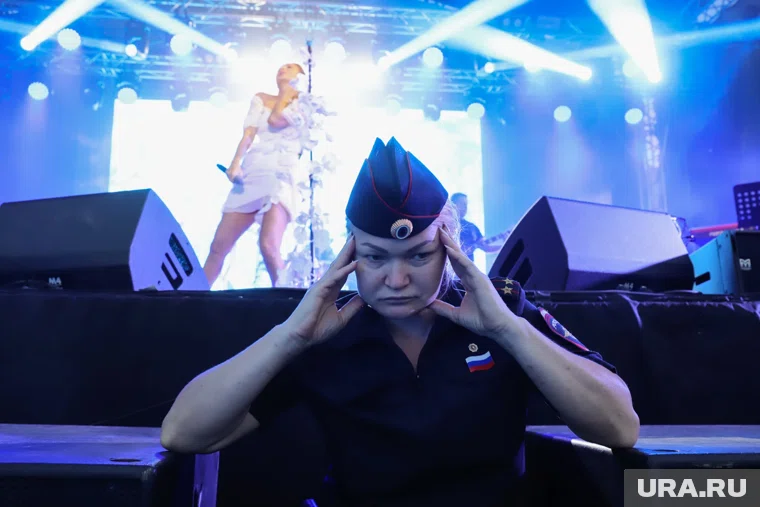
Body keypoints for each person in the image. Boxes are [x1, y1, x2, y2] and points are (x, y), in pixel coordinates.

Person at [162, 137, 640, 506]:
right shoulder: (328, 333)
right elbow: (183, 433)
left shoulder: (500, 310)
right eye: (375, 257)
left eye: (418, 255)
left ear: (450, 247)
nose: (396, 279)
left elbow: (619, 428)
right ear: (350, 255)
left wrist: (508, 331)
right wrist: (289, 337)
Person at [203, 62, 306, 288]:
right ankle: (192, 297)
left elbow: (275, 120)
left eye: (290, 67)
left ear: (301, 75)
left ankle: (287, 299)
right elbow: (248, 134)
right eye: (281, 66)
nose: (282, 69)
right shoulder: (260, 98)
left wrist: (287, 91)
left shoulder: (305, 102)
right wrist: (235, 164)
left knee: (268, 245)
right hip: (254, 169)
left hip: (281, 173)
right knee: (218, 246)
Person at [451, 192, 508, 261]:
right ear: (453, 205)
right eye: (462, 204)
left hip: (468, 266)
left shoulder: (472, 227)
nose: (465, 207)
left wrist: (506, 245)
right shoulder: (446, 224)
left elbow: (486, 247)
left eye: (466, 204)